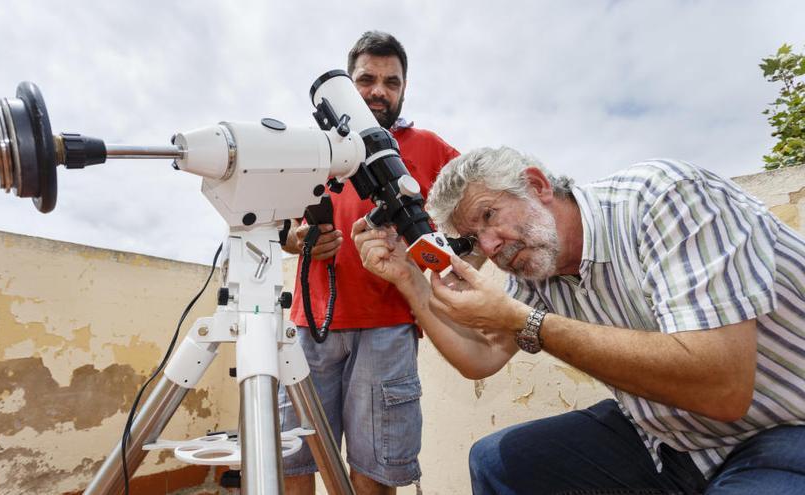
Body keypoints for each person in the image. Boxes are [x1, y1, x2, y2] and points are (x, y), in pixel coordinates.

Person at [351, 146, 805, 494]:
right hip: (670, 438)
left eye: (489, 216)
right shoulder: (533, 266)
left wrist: (526, 322)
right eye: (473, 237)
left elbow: (722, 387)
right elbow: (480, 357)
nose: (490, 246)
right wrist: (409, 282)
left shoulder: (664, 198)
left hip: (783, 427)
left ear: (537, 185)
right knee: (496, 461)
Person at [279, 31, 459, 494]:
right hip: (311, 325)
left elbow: (472, 215)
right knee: (293, 462)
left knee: (378, 468)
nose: (379, 90)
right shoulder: (313, 148)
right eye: (366, 79)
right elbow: (281, 229)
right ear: (350, 83)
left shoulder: (430, 147)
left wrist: (447, 253)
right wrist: (300, 240)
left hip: (389, 328)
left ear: (403, 89)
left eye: (391, 82)